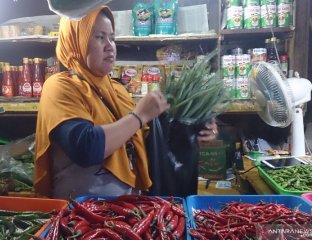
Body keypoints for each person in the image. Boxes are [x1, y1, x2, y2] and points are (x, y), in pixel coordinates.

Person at [34, 5, 218, 199]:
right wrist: (139, 116)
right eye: (99, 37)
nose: (109, 46)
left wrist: (190, 133)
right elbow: (85, 147)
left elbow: (146, 142)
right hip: (82, 215)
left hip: (127, 214)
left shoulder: (117, 90)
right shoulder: (60, 86)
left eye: (112, 38)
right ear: (75, 40)